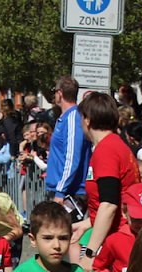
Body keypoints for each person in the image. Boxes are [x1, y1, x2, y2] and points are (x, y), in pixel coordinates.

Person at [74, 92, 142, 272]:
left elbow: (110, 204)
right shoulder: (116, 145)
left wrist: (89, 254)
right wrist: (86, 223)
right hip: (118, 237)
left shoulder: (106, 150)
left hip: (114, 245)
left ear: (87, 119)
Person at [44, 75, 91, 205]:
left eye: (55, 92)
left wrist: (60, 191)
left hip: (70, 192)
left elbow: (72, 158)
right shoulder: (64, 118)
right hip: (61, 189)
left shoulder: (73, 118)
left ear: (60, 93)